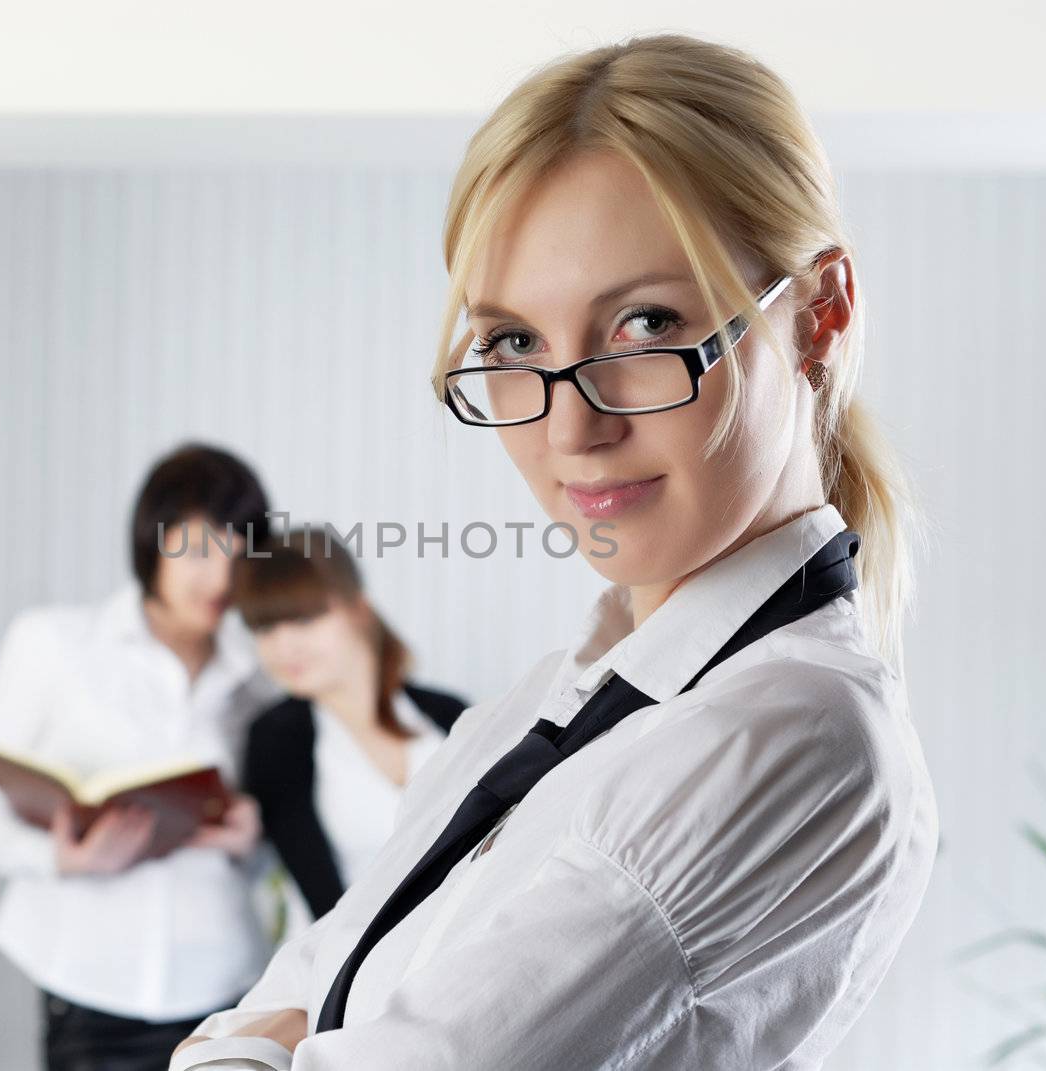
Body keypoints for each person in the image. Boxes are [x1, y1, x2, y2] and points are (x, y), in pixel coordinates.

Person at [170, 32, 939, 1070]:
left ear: (818, 314)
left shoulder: (788, 731)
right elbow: (293, 991)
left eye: (643, 324)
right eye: (514, 344)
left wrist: (270, 1045)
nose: (570, 430)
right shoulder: (536, 707)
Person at [0, 442, 287, 1071]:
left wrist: (249, 840)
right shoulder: (53, 643)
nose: (220, 578)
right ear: (153, 540)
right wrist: (58, 857)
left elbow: (279, 850)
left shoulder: (260, 683)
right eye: (202, 548)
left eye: (240, 555)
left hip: (225, 988)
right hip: (87, 986)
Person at [231, 525, 469, 932]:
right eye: (265, 628)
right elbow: (318, 896)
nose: (284, 646)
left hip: (460, 951)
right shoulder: (276, 740)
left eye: (304, 618)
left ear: (358, 608)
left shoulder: (450, 714)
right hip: (344, 970)